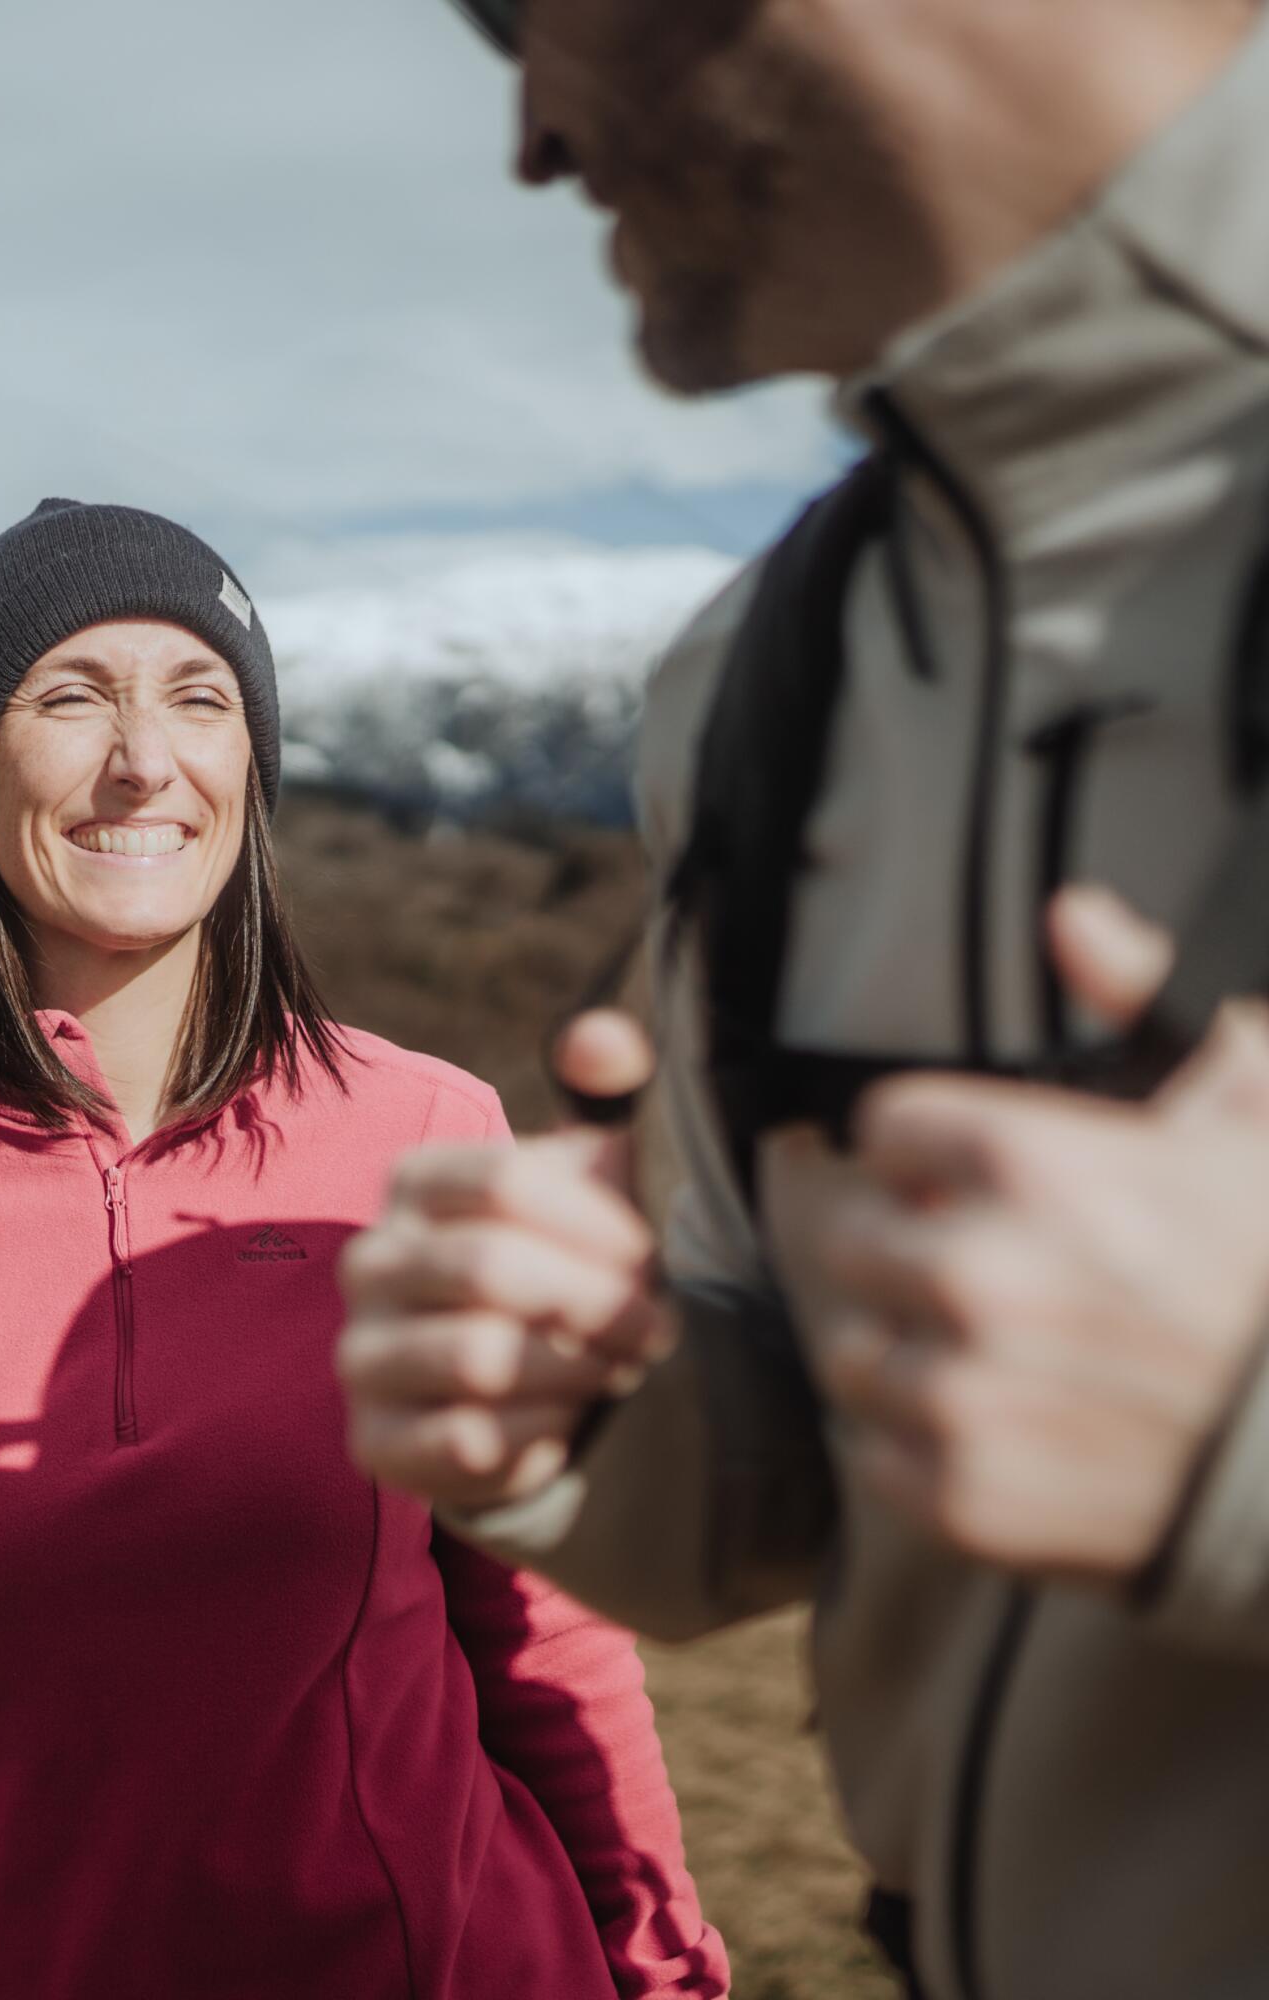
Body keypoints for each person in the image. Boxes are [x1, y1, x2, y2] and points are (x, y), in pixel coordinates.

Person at [336, 5, 1269, 1998]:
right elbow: (785, 1471)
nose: (530, 135)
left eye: (521, 13)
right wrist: (576, 1400)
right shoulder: (762, 679)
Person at [0, 498, 728, 1999]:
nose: (143, 760)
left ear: (251, 766)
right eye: (70, 696)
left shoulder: (432, 1134)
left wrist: (666, 1973)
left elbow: (546, 1635)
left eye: (199, 698)